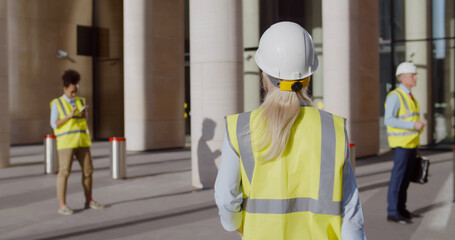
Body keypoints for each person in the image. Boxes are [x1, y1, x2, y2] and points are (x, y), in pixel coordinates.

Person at [214, 22, 366, 240]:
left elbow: (226, 199)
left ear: (264, 73)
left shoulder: (240, 128)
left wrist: (237, 226)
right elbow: (351, 216)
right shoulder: (333, 129)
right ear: (308, 75)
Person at [50, 69, 104, 215]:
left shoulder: (81, 101)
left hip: (82, 142)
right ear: (65, 88)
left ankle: (89, 200)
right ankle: (62, 205)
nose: (74, 94)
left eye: (76, 91)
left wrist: (85, 115)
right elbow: (54, 124)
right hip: (66, 143)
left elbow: (81, 123)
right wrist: (69, 116)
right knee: (64, 172)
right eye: (72, 91)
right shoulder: (57, 103)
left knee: (88, 171)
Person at [384, 62, 425, 224]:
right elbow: (389, 120)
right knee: (398, 179)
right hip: (401, 145)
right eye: (412, 75)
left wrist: (417, 127)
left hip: (410, 144)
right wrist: (413, 125)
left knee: (406, 179)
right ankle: (393, 211)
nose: (415, 77)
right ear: (403, 78)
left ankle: (402, 209)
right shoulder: (395, 96)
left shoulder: (410, 96)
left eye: (415, 75)